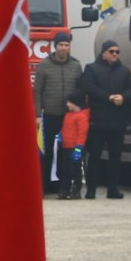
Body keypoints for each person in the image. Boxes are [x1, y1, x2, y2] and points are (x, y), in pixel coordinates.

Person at [73, 40, 131, 198]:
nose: (115, 54)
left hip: (117, 120)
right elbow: (89, 87)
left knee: (115, 156)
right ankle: (91, 189)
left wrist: (123, 97)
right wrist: (108, 97)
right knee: (95, 156)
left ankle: (113, 189)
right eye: (112, 51)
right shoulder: (92, 68)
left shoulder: (124, 71)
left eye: (117, 52)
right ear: (103, 53)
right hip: (98, 120)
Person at [32, 31, 83, 194]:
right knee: (47, 152)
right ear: (55, 47)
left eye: (66, 45)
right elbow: (37, 91)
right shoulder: (44, 65)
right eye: (61, 45)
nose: (63, 48)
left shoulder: (76, 65)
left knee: (66, 151)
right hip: (50, 115)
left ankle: (63, 185)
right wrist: (38, 114)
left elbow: (80, 90)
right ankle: (44, 185)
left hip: (69, 117)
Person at [56, 103, 90, 200]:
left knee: (75, 170)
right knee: (65, 170)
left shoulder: (82, 117)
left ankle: (76, 190)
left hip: (74, 148)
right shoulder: (68, 115)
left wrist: (79, 148)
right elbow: (64, 128)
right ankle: (64, 189)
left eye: (69, 102)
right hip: (65, 146)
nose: (67, 104)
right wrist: (60, 135)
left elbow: (82, 133)